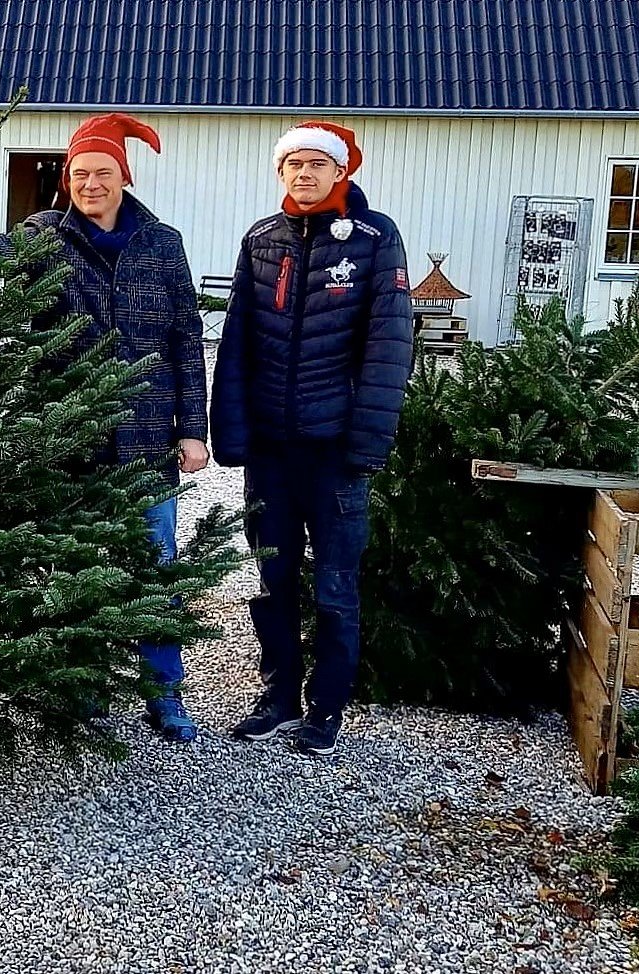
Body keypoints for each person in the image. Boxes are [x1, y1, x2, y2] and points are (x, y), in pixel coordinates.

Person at [0, 114, 210, 741]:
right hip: (68, 430)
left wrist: (193, 428)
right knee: (75, 565)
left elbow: (187, 337)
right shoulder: (46, 234)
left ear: (123, 178)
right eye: (80, 174)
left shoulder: (162, 242)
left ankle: (165, 694)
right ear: (67, 180)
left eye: (103, 173)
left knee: (154, 564)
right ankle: (84, 688)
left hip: (146, 433)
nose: (91, 184)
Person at [211, 121, 413, 756]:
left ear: (340, 171)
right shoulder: (261, 240)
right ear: (281, 172)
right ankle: (277, 698)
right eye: (293, 164)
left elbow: (389, 347)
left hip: (335, 451)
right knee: (271, 581)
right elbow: (237, 340)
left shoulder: (375, 239)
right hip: (271, 452)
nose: (304, 174)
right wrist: (231, 433)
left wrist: (367, 442)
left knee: (333, 586)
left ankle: (325, 709)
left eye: (317, 164)